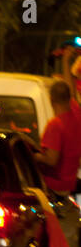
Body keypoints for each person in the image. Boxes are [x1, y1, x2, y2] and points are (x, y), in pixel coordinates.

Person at [34, 47, 81, 197]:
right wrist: (66, 61)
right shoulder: (77, 117)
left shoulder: (55, 125)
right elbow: (71, 89)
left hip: (54, 187)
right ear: (69, 99)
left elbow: (52, 160)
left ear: (51, 99)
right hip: (69, 184)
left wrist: (34, 155)